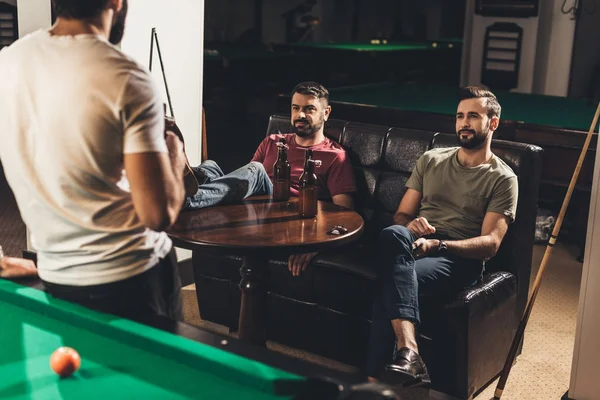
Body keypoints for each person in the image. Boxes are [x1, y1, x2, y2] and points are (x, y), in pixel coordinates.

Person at [0, 0, 188, 321]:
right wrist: (174, 152)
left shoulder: (8, 62)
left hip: (56, 276)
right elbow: (159, 214)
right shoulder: (127, 77)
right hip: (133, 278)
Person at [365, 86, 518, 386]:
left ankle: (375, 379)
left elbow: (490, 244)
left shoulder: (503, 178)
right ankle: (409, 353)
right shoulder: (431, 159)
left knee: (389, 281)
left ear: (493, 123)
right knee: (393, 233)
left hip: (457, 258)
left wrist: (439, 243)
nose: (463, 123)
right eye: (460, 116)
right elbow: (401, 216)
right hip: (412, 247)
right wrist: (413, 226)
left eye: (473, 116)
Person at [185, 81, 357, 276]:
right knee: (211, 167)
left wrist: (317, 245)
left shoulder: (334, 155)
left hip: (289, 215)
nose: (300, 115)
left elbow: (344, 212)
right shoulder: (272, 142)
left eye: (309, 109)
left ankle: (187, 198)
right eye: (296, 108)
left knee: (257, 170)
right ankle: (188, 183)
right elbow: (244, 183)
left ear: (326, 113)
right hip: (256, 213)